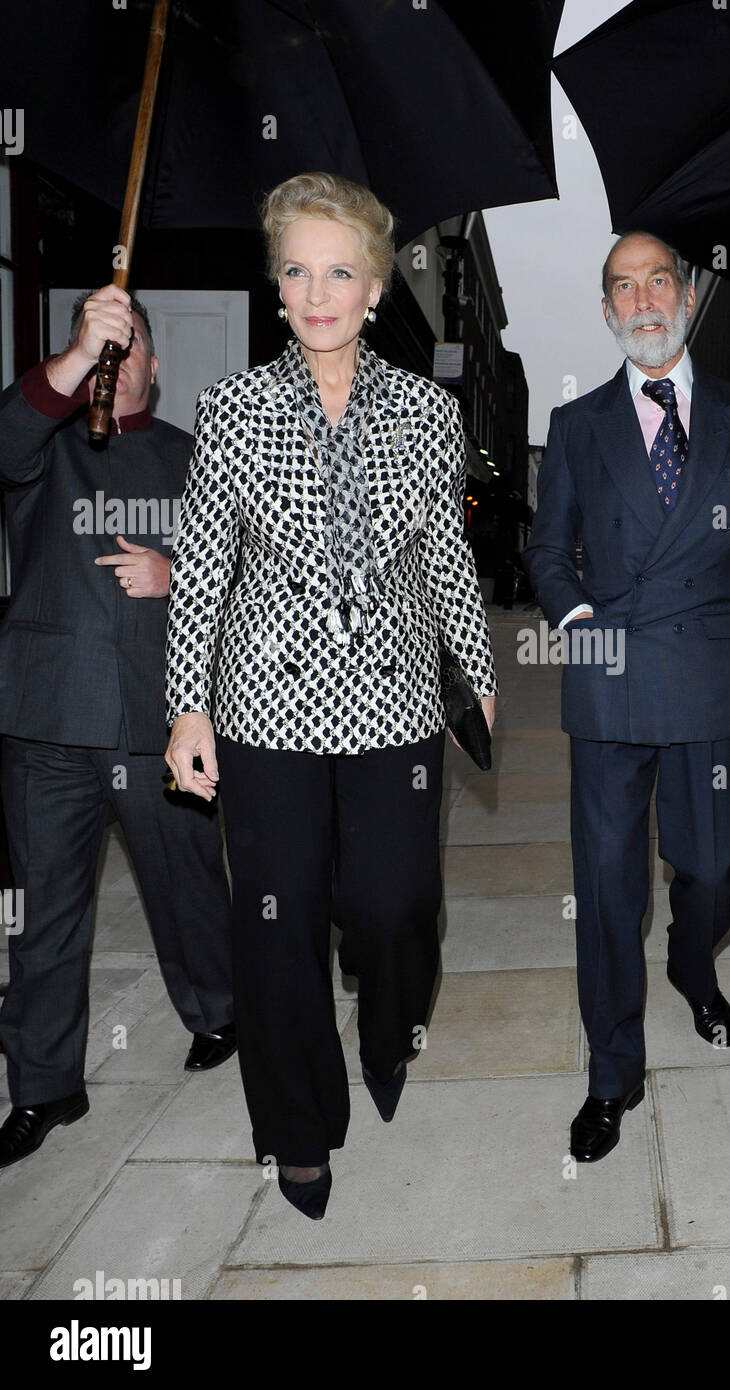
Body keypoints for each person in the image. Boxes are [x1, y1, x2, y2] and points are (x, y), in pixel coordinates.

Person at [164, 172, 497, 1219]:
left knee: (393, 905)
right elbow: (203, 568)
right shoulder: (231, 408)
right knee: (278, 919)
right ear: (278, 286)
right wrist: (187, 706)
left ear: (373, 286)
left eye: (339, 271)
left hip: (396, 702)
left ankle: (392, 1024)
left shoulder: (425, 411)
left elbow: (446, 558)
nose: (317, 292)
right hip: (265, 704)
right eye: (297, 271)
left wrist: (477, 681)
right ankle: (298, 1129)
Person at [524, 232, 730, 1163]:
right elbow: (544, 551)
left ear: (684, 297)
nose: (642, 301)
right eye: (622, 288)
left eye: (657, 282)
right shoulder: (576, 427)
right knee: (607, 890)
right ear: (606, 312)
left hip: (714, 682)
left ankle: (696, 967)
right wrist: (576, 622)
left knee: (709, 868)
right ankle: (613, 1074)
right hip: (610, 689)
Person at [0, 286, 235, 1169]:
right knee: (47, 918)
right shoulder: (43, 443)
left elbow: (248, 570)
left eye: (130, 342)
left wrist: (176, 575)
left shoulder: (197, 457)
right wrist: (70, 357)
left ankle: (219, 1010)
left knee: (187, 888)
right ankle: (45, 1084)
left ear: (155, 367)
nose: (117, 355)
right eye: (102, 341)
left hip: (159, 721)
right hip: (50, 716)